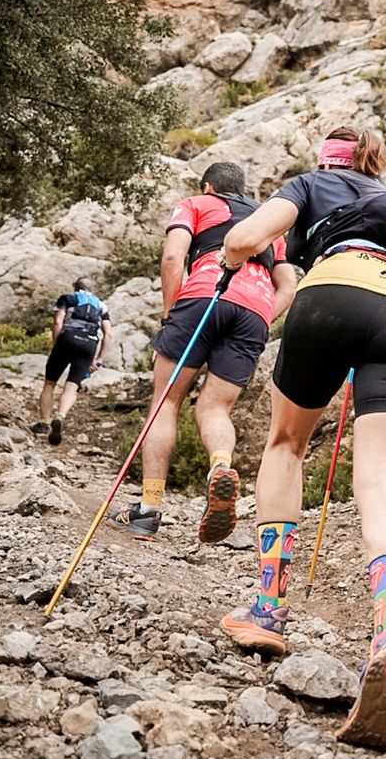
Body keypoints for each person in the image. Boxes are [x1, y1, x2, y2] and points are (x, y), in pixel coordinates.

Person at [213, 126, 386, 753]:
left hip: (333, 291)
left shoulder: (311, 184)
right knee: (382, 479)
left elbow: (245, 237)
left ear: (325, 162)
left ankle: (267, 609)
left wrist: (233, 264)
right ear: (377, 164)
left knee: (286, 445)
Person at [112, 161, 297, 544]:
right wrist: (262, 316)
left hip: (205, 294)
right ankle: (219, 467)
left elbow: (172, 257)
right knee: (215, 407)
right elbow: (288, 288)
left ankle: (147, 511)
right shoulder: (267, 223)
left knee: (166, 401)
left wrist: (169, 314)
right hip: (255, 311)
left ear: (208, 187)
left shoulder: (196, 203)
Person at [40, 278, 113, 445]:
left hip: (67, 339)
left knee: (50, 383)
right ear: (92, 289)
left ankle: (44, 422)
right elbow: (108, 334)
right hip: (89, 344)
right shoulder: (101, 306)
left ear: (75, 288)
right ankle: (61, 415)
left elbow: (58, 322)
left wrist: (56, 344)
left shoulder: (67, 298)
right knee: (72, 386)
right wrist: (99, 359)